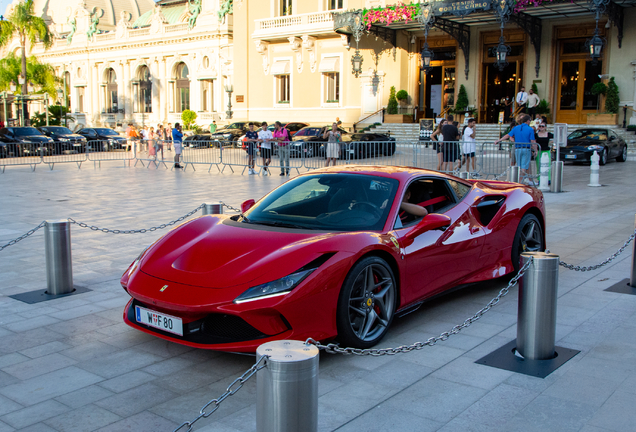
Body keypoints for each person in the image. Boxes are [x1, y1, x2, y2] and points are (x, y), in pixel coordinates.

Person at [495, 114, 537, 181]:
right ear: (528, 121)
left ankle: (519, 180)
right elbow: (532, 141)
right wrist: (536, 150)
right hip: (526, 149)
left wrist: (499, 140)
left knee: (519, 166)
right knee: (524, 166)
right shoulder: (530, 129)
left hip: (518, 149)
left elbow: (507, 136)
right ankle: (520, 181)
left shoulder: (516, 128)